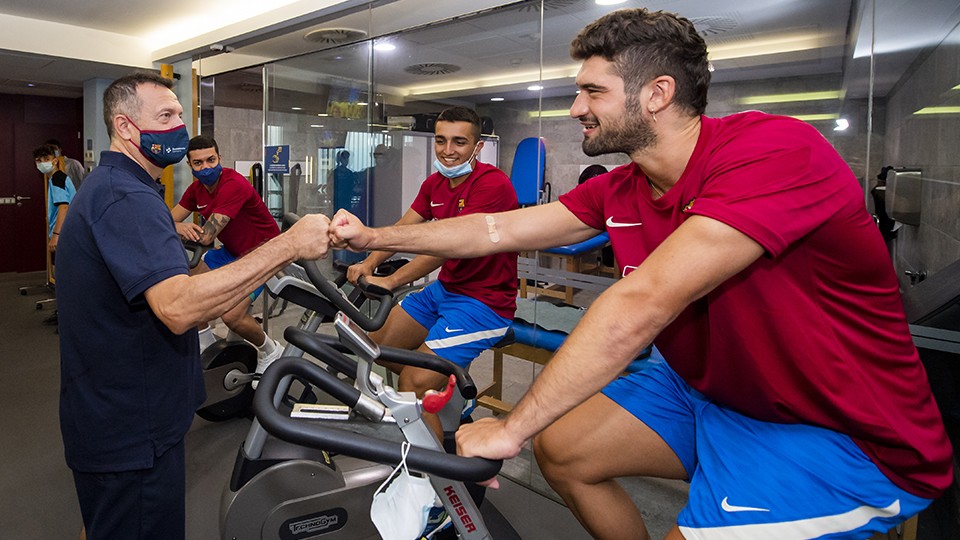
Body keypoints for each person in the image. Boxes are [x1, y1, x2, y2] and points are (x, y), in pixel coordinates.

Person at [330, 8, 953, 540]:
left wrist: (512, 428)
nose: (576, 108)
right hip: (710, 393)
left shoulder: (773, 150)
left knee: (537, 433)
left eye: (592, 92)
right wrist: (376, 237)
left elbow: (645, 300)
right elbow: (497, 229)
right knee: (564, 450)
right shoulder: (625, 186)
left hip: (834, 427)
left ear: (656, 94)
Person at [56, 71, 329, 540]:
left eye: (180, 114)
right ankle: (266, 348)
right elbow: (179, 307)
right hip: (131, 421)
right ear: (125, 128)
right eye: (165, 116)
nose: (178, 126)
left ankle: (261, 347)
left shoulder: (117, 187)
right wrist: (288, 245)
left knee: (108, 523)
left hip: (111, 410)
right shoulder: (126, 196)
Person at [346, 106, 519, 440]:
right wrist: (369, 263)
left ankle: (434, 481)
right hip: (445, 291)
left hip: (484, 304)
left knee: (411, 380)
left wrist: (393, 280)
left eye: (459, 142)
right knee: (375, 348)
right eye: (441, 141)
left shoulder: (492, 185)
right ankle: (445, 391)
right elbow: (403, 229)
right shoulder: (435, 183)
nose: (448, 150)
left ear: (477, 147)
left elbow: (448, 247)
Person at [171, 135, 283, 383]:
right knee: (187, 291)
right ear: (190, 166)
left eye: (211, 160)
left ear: (220, 158)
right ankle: (206, 345)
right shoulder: (196, 189)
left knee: (231, 315)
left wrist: (179, 226)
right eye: (198, 163)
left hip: (263, 255)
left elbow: (207, 235)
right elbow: (169, 218)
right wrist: (178, 226)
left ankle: (270, 350)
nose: (206, 167)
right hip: (232, 251)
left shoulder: (234, 185)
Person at [34, 143, 77, 327]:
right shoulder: (55, 179)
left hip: (65, 234)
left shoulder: (58, 178)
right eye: (38, 161)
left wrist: (56, 235)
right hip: (66, 233)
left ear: (54, 160)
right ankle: (62, 313)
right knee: (61, 278)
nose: (41, 163)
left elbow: (64, 206)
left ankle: (68, 318)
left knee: (64, 278)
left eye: (45, 159)